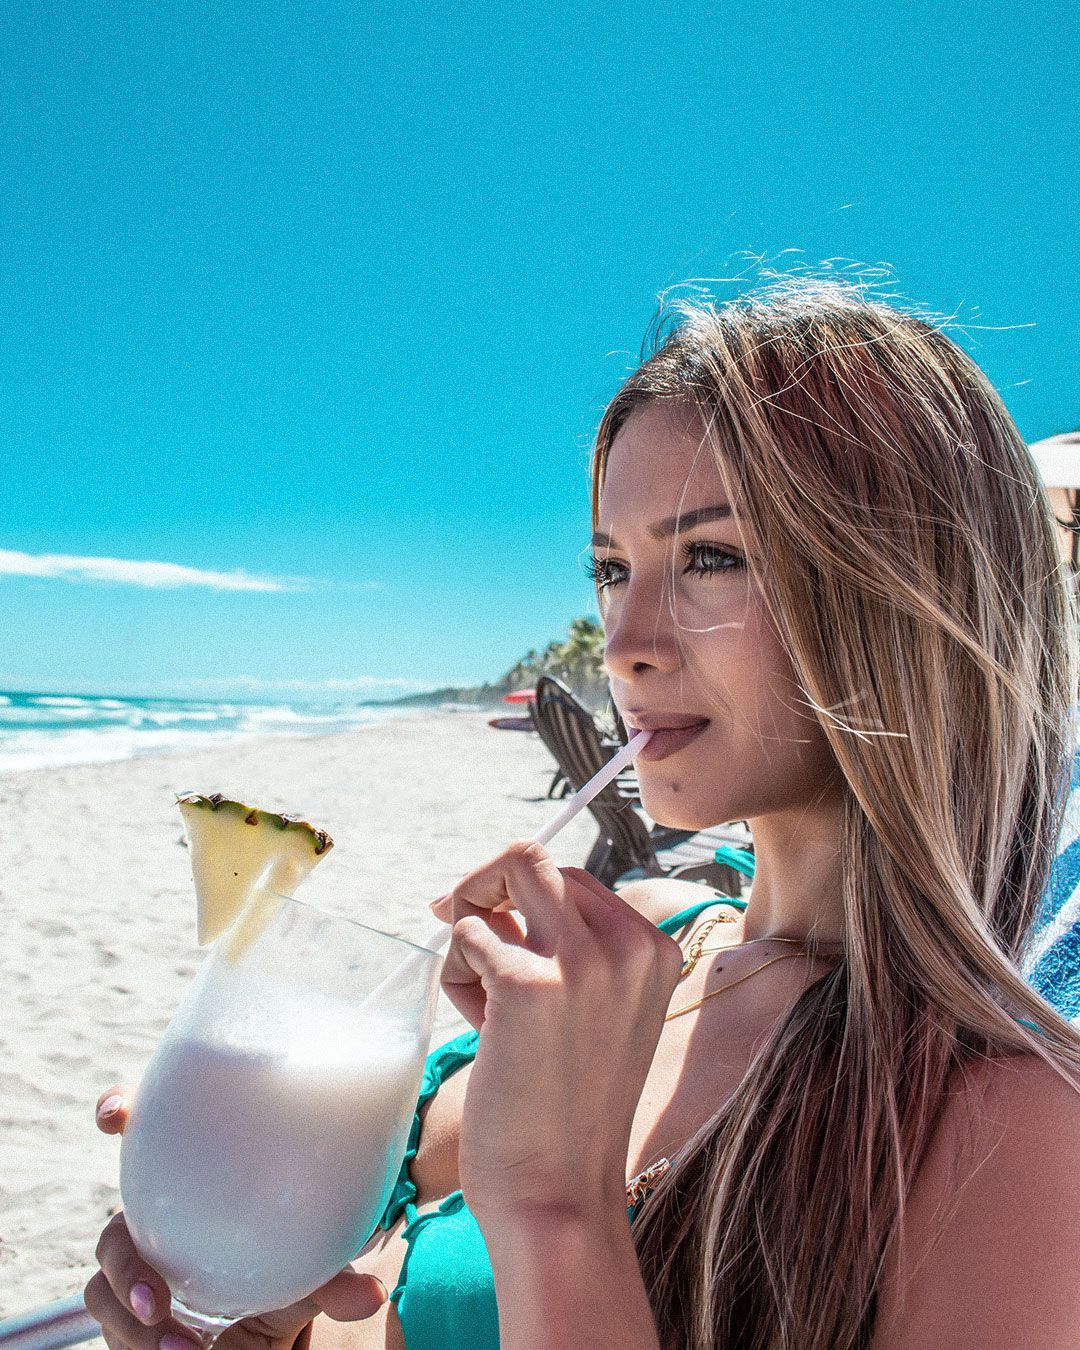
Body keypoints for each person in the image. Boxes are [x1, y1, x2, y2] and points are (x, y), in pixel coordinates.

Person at [86, 280, 1080, 1350]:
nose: (623, 643)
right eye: (612, 569)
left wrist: (558, 1207)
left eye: (710, 556)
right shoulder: (642, 937)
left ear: (901, 594)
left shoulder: (1007, 1125)